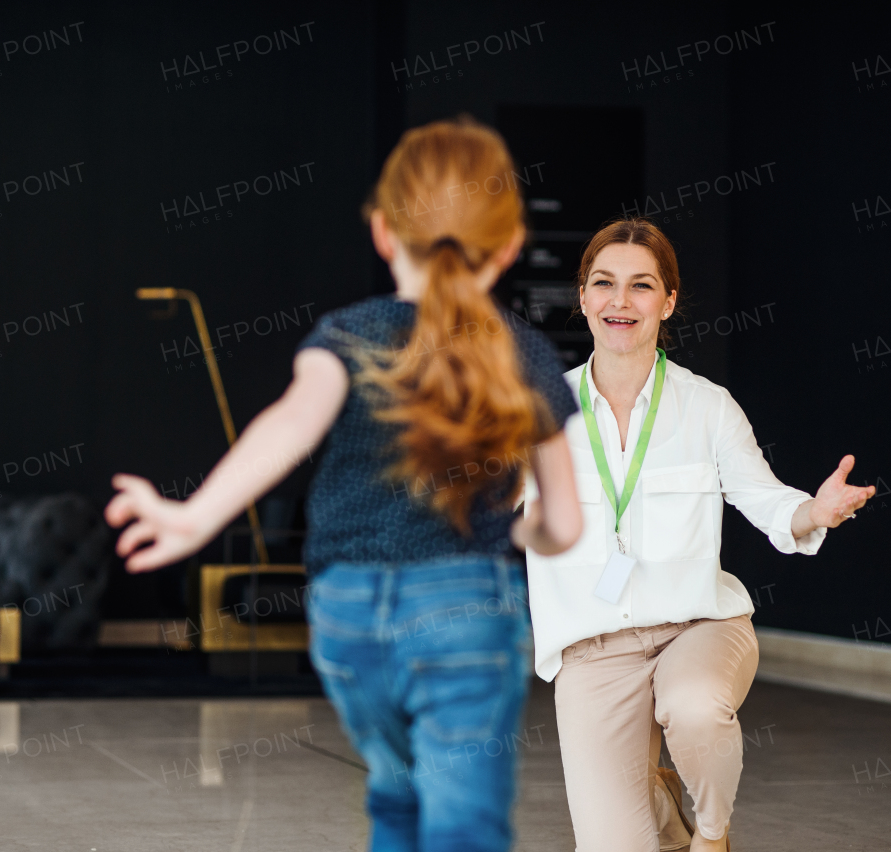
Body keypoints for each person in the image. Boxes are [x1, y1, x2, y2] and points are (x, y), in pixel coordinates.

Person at [105, 117, 583, 852]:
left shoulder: (349, 333)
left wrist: (195, 516)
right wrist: (522, 529)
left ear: (384, 231)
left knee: (397, 789)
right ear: (511, 245)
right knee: (463, 818)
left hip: (347, 614)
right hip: (463, 611)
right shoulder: (525, 352)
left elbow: (290, 423)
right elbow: (565, 525)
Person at [520, 218, 875, 852]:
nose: (620, 302)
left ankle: (711, 836)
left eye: (641, 286)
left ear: (669, 301)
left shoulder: (708, 406)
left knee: (693, 705)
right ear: (582, 297)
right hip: (592, 647)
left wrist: (814, 514)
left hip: (698, 626)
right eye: (604, 284)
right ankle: (651, 796)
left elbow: (768, 502)